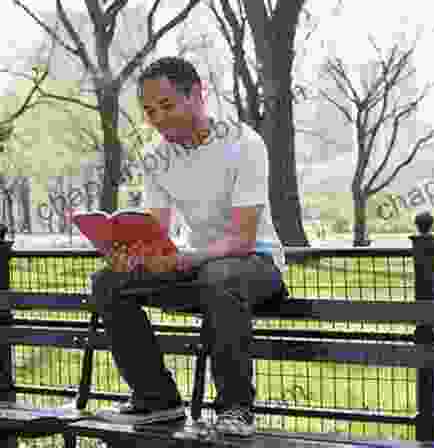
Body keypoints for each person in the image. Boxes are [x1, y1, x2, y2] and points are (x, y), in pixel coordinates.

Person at [89, 56, 288, 437]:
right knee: (107, 282)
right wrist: (134, 254)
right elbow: (156, 230)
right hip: (199, 268)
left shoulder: (244, 144)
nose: (158, 118)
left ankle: (235, 409)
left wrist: (189, 256)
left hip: (256, 265)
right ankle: (156, 401)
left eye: (166, 106)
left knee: (220, 274)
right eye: (149, 111)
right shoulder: (155, 157)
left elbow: (243, 239)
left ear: (197, 95)